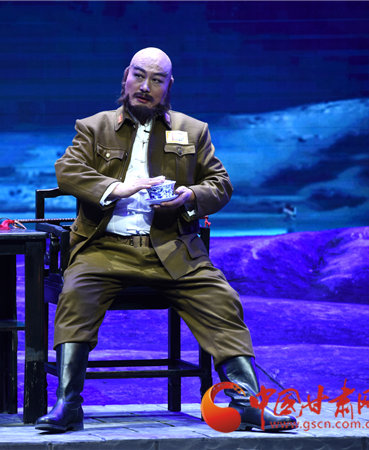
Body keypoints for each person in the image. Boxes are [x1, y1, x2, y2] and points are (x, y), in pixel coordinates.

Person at [34, 48, 298, 433]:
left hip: (172, 249)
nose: (145, 86)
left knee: (221, 299)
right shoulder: (94, 127)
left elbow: (220, 183)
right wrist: (117, 188)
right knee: (76, 296)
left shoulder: (192, 130)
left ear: (168, 86)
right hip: (104, 249)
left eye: (156, 80)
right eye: (139, 76)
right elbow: (68, 171)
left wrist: (190, 195)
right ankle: (68, 403)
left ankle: (246, 404)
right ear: (126, 77)